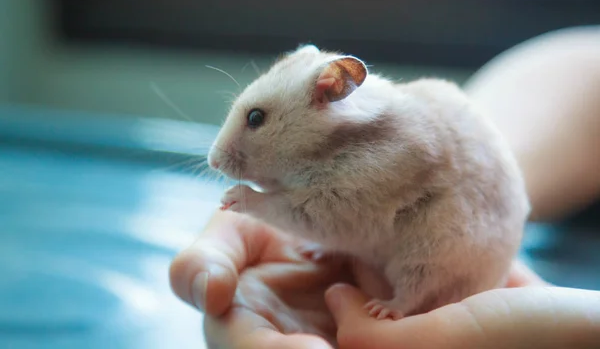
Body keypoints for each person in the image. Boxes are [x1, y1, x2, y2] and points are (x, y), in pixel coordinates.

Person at [169, 25, 600, 348]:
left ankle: (405, 302)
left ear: (330, 91)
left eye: (256, 121)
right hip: (466, 206)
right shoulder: (386, 137)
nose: (218, 157)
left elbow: (333, 216)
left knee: (424, 258)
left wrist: (261, 205)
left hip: (455, 251)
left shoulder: (379, 156)